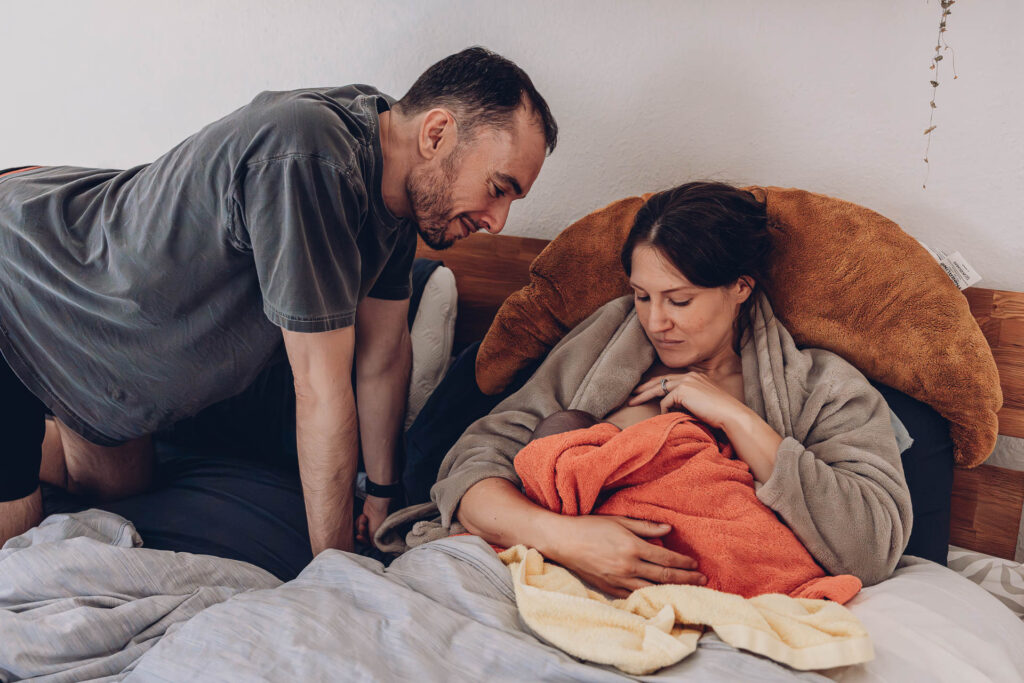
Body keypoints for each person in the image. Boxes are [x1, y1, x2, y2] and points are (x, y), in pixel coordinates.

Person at [0, 46, 558, 553]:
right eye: (499, 187)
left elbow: (383, 353)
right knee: (19, 545)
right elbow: (320, 388)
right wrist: (334, 569)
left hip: (91, 346)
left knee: (121, 485)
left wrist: (382, 492)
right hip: (19, 275)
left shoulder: (395, 196)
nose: (497, 221)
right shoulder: (310, 157)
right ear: (436, 134)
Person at [380, 181, 913, 597]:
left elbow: (870, 547)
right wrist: (568, 540)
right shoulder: (608, 342)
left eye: (679, 301)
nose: (656, 322)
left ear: (740, 288)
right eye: (641, 296)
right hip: (555, 574)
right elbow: (475, 464)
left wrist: (736, 418)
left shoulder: (825, 388)